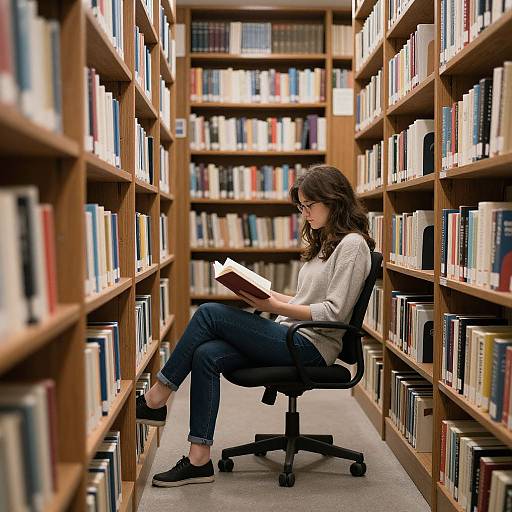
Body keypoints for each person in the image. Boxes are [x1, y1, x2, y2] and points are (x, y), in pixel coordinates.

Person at [136, 164, 375, 487]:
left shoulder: (352, 246)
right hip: (292, 334)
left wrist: (273, 306)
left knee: (208, 313)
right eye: (300, 207)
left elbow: (334, 312)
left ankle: (155, 399)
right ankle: (199, 459)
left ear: (334, 200)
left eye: (309, 206)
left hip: (311, 346)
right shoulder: (324, 242)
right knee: (206, 353)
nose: (304, 213)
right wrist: (267, 295)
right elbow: (305, 298)